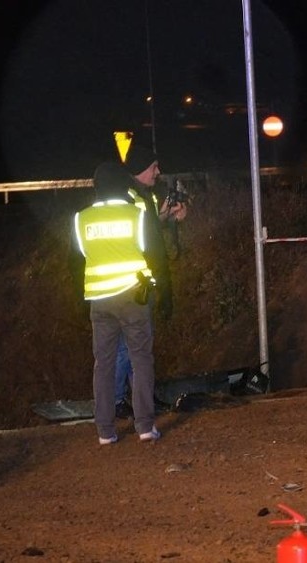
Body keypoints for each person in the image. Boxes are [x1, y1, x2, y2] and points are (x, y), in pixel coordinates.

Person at [69, 161, 173, 444]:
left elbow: (79, 259)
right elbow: (151, 254)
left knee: (103, 364)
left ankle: (105, 431)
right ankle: (145, 427)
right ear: (122, 185)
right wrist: (154, 285)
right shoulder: (135, 214)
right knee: (140, 360)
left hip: (99, 301)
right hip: (132, 296)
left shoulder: (82, 219)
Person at [113, 145, 187, 418]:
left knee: (138, 346)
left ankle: (138, 398)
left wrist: (168, 217)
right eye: (154, 166)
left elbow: (150, 230)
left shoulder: (146, 197)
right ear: (142, 168)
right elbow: (141, 238)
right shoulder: (130, 198)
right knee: (128, 347)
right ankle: (118, 401)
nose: (158, 171)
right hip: (132, 282)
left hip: (144, 280)